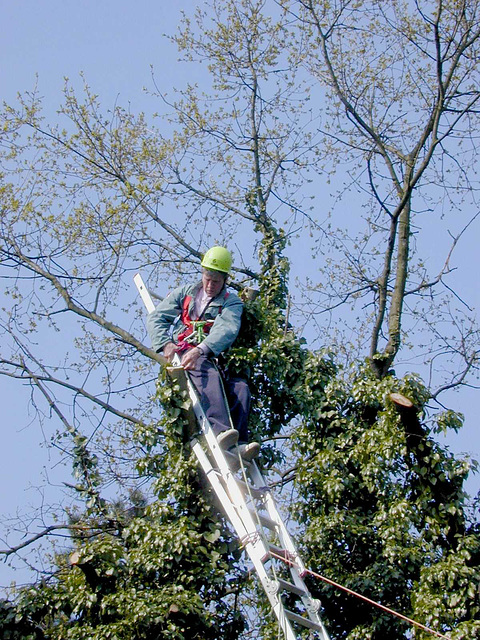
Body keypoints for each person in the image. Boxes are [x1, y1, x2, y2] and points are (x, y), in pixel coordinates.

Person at [147, 246, 260, 462]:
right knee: (207, 374)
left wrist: (202, 350)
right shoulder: (186, 293)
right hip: (188, 353)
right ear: (202, 274)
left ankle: (240, 444)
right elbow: (156, 318)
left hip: (212, 355)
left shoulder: (231, 302)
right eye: (207, 278)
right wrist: (165, 344)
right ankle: (221, 433)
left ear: (225, 280)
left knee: (240, 388)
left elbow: (225, 329)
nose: (210, 285)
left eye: (216, 281)